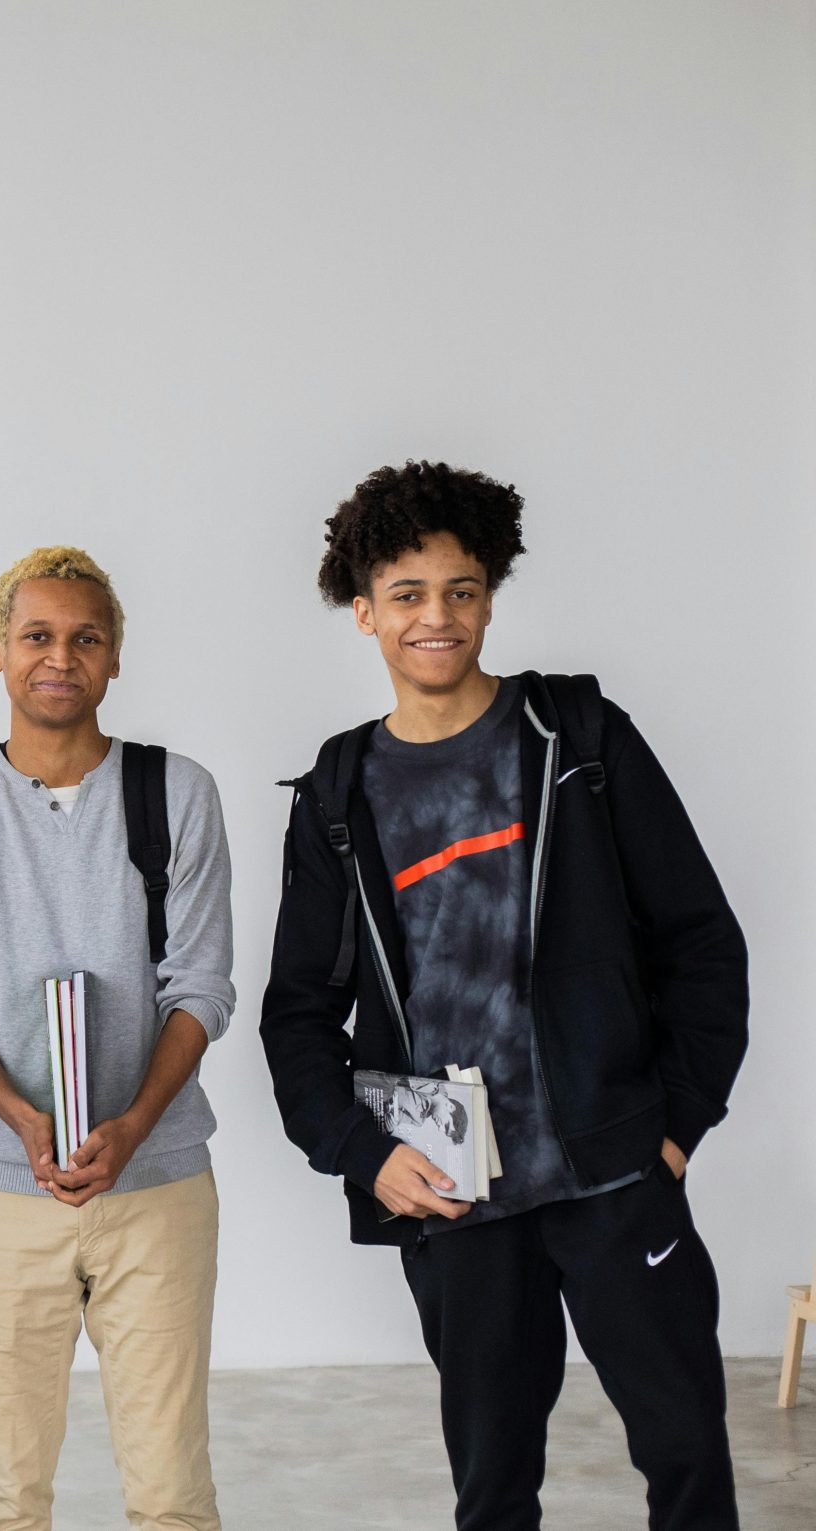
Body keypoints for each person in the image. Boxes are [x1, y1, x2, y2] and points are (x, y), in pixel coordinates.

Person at [260, 462, 748, 1531]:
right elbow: (295, 1013)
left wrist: (671, 1130)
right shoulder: (339, 793)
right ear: (362, 613)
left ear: (489, 597)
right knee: (491, 1492)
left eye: (462, 591)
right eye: (406, 595)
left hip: (610, 1173)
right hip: (454, 1196)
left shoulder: (574, 738)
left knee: (685, 1456)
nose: (437, 618)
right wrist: (362, 1154)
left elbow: (701, 944)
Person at [0, 546, 234, 1531]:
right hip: (1, 1191)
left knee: (172, 1490)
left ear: (115, 656)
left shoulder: (175, 795)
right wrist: (21, 1119)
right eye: (36, 636)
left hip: (158, 1184)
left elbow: (200, 987)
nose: (60, 657)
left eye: (85, 637)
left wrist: (129, 1125)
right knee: (5, 1492)